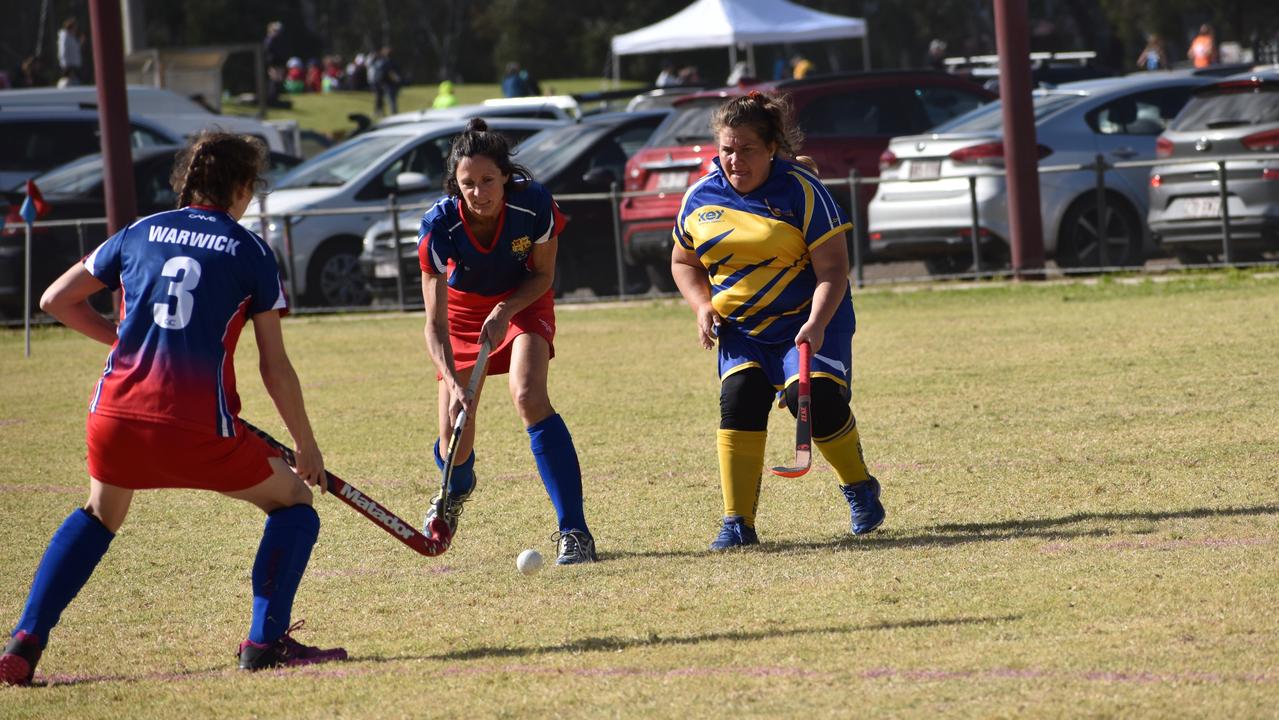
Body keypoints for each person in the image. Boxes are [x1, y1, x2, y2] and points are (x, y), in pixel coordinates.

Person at [0, 131, 383, 685]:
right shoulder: (251, 251)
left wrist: (125, 342)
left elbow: (54, 300)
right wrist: (306, 445)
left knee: (99, 514)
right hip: (197, 426)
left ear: (188, 182)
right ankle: (265, 642)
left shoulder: (138, 231)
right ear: (242, 186)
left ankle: (24, 643)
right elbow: (273, 366)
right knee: (295, 503)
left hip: (115, 416)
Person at [669, 91, 885, 550]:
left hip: (807, 320)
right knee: (740, 399)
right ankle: (737, 523)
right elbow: (683, 261)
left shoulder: (802, 191)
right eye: (727, 149)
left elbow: (833, 270)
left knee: (819, 401)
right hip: (742, 330)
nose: (735, 159)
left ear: (771, 148)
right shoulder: (699, 196)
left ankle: (860, 487)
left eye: (747, 149)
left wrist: (817, 322)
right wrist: (702, 306)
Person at [417, 118, 597, 565]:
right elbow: (434, 325)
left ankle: (575, 532)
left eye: (487, 181)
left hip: (522, 300)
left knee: (529, 395)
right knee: (454, 437)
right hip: (460, 315)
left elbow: (543, 275)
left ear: (506, 177)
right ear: (455, 186)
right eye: (468, 185)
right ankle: (455, 491)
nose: (478, 193)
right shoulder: (438, 226)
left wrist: (504, 311)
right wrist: (455, 384)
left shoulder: (533, 205)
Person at [371, 46, 402, 116]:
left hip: (388, 84)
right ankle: (386, 113)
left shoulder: (386, 62)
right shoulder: (389, 62)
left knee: (390, 100)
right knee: (389, 99)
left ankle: (393, 114)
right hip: (388, 84)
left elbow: (389, 73)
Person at [264, 21, 287, 104]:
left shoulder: (278, 39)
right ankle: (272, 97)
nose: (277, 32)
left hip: (279, 61)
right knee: (274, 79)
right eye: (275, 30)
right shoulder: (270, 39)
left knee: (278, 79)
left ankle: (275, 96)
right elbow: (268, 51)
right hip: (273, 62)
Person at [57, 18, 83, 85]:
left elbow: (75, 50)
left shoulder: (72, 37)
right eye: (75, 27)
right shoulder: (65, 37)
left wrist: (80, 42)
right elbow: (63, 52)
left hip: (74, 65)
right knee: (68, 82)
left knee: (75, 82)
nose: (76, 29)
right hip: (68, 66)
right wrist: (66, 66)